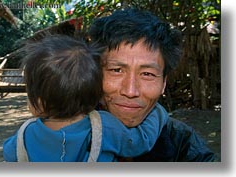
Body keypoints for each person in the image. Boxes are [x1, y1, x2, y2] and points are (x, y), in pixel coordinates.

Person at [2, 34, 170, 162]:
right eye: (116, 70)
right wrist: (158, 112)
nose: (131, 91)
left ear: (38, 102)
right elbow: (140, 142)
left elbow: (10, 155)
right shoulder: (104, 125)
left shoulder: (23, 135)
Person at [89, 8, 218, 161]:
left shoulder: (182, 144)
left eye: (147, 74)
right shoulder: (66, 132)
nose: (130, 91)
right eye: (116, 70)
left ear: (163, 82)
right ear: (95, 74)